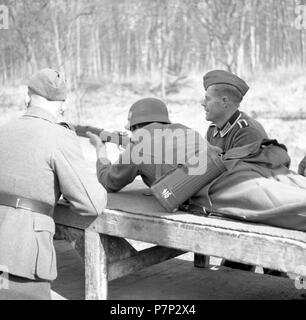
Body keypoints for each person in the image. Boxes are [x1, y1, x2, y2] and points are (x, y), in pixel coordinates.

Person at [0, 68, 107, 300]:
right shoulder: (59, 137)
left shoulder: (3, 130)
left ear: (26, 98)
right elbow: (92, 204)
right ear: (63, 106)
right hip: (24, 253)